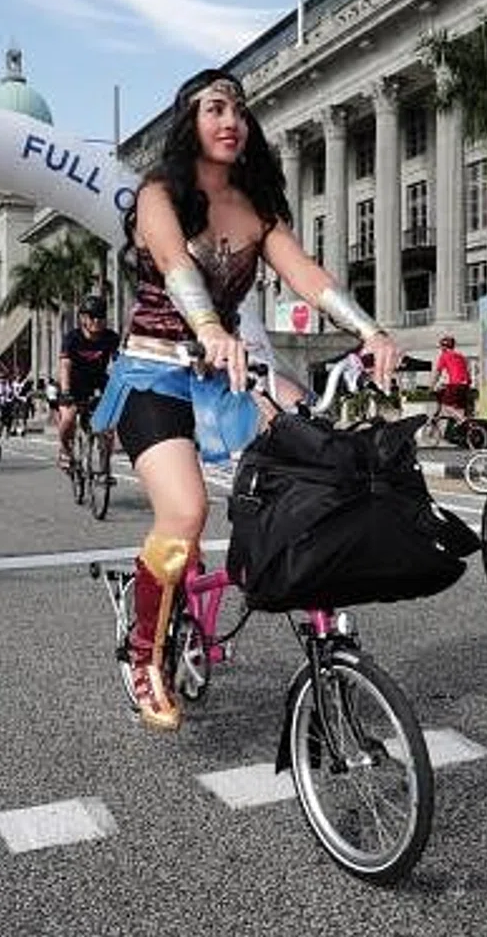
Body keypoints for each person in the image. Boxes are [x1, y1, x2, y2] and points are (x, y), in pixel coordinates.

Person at [92, 68, 400, 731]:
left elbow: (307, 276)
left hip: (225, 376)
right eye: (214, 109)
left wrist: (369, 330)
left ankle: (322, 640)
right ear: (189, 123)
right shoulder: (158, 195)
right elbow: (176, 266)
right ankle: (145, 655)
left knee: (315, 466)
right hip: (154, 375)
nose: (231, 120)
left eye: (238, 110)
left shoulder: (259, 209)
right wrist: (208, 328)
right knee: (186, 511)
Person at [56, 294, 121, 471]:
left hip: (98, 381)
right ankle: (65, 449)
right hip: (73, 383)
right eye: (92, 316)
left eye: (101, 316)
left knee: (107, 426)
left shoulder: (111, 337)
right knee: (68, 419)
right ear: (83, 318)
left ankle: (105, 465)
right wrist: (66, 391)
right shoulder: (72, 338)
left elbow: (118, 364)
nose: (97, 321)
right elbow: (65, 365)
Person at [431, 334, 474, 433]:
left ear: (444, 347)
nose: (440, 349)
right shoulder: (461, 356)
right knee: (459, 408)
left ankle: (463, 420)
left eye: (441, 346)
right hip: (465, 385)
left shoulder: (444, 356)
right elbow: (466, 371)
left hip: (456, 384)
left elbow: (438, 373)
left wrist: (432, 386)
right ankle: (466, 430)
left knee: (446, 406)